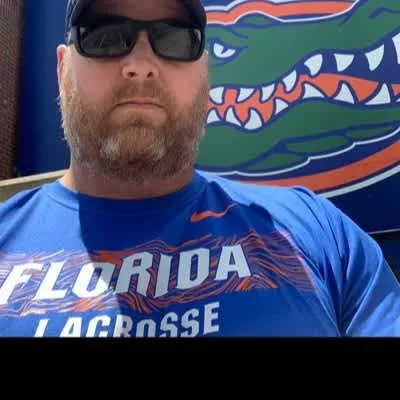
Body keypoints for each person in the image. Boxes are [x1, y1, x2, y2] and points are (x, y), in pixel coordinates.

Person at [0, 0, 398, 338]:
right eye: (104, 37)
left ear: (204, 74)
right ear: (62, 68)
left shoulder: (320, 235)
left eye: (174, 39)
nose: (140, 65)